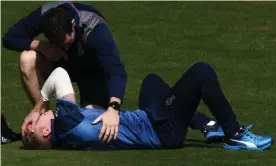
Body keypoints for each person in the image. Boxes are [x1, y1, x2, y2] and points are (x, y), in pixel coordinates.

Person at [22, 62, 273, 150]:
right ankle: (236, 135)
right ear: (46, 132)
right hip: (160, 129)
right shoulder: (66, 123)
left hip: (151, 120)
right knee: (201, 72)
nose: (38, 117)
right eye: (34, 124)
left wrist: (95, 111)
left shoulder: (70, 133)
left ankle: (206, 124)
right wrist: (39, 104)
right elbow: (59, 75)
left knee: (151, 82)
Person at [2, 1, 127, 141]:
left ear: (73, 24)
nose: (65, 48)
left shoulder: (95, 28)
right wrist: (41, 46)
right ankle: (45, 119)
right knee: (27, 58)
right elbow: (9, 38)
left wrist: (113, 108)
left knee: (93, 126)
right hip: (62, 64)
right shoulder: (45, 16)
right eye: (59, 45)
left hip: (91, 71)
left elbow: (116, 71)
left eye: (67, 43)